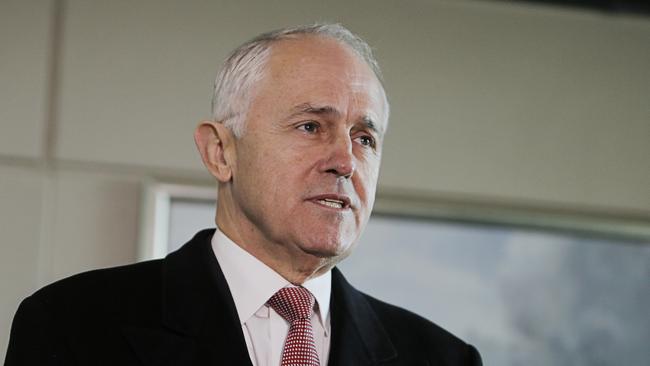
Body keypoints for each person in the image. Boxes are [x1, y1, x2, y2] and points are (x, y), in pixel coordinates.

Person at [5, 24, 482, 366]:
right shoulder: (73, 326)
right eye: (311, 126)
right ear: (220, 152)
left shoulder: (443, 357)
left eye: (365, 138)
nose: (345, 160)